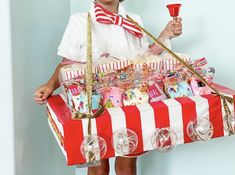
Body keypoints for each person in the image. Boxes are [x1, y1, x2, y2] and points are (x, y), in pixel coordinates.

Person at [34, 0, 182, 174]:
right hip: (94, 103)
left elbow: (144, 58)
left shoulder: (133, 20)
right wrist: (50, 85)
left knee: (127, 163)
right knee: (98, 164)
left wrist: (166, 35)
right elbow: (67, 63)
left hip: (130, 99)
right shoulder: (80, 20)